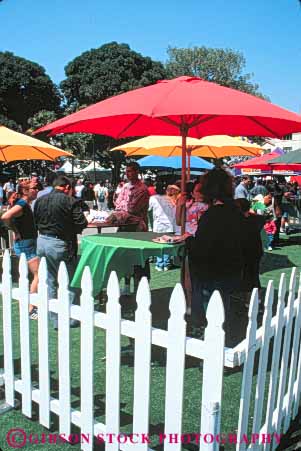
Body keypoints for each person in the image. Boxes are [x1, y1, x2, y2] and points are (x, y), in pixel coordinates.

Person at [186, 169, 245, 344]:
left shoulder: (212, 215)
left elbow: (203, 247)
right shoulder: (234, 211)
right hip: (231, 269)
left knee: (212, 313)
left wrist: (190, 242)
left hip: (212, 273)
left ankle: (212, 343)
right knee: (223, 308)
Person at [34, 175, 88, 328]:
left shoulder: (40, 200)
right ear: (67, 188)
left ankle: (55, 319)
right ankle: (70, 318)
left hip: (42, 241)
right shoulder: (70, 201)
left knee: (50, 281)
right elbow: (81, 223)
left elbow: (35, 220)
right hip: (59, 243)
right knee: (68, 281)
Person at [1, 180, 40, 318]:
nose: (37, 190)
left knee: (31, 276)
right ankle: (31, 308)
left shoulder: (25, 204)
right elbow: (5, 216)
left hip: (27, 242)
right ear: (25, 191)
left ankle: (31, 305)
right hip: (25, 243)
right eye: (34, 188)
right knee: (38, 275)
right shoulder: (22, 204)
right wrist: (14, 230)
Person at [114, 162, 150, 294]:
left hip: (137, 228)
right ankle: (127, 286)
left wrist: (122, 209)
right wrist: (122, 208)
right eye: (126, 171)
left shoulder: (142, 189)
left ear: (136, 172)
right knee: (124, 258)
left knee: (138, 260)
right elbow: (118, 204)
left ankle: (140, 288)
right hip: (124, 226)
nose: (128, 174)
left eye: (130, 171)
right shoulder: (125, 187)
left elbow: (132, 209)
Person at [149, 182, 178, 271]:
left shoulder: (153, 198)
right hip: (169, 225)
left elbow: (149, 210)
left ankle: (160, 263)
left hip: (158, 225)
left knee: (159, 244)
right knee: (167, 244)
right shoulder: (171, 199)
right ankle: (166, 263)